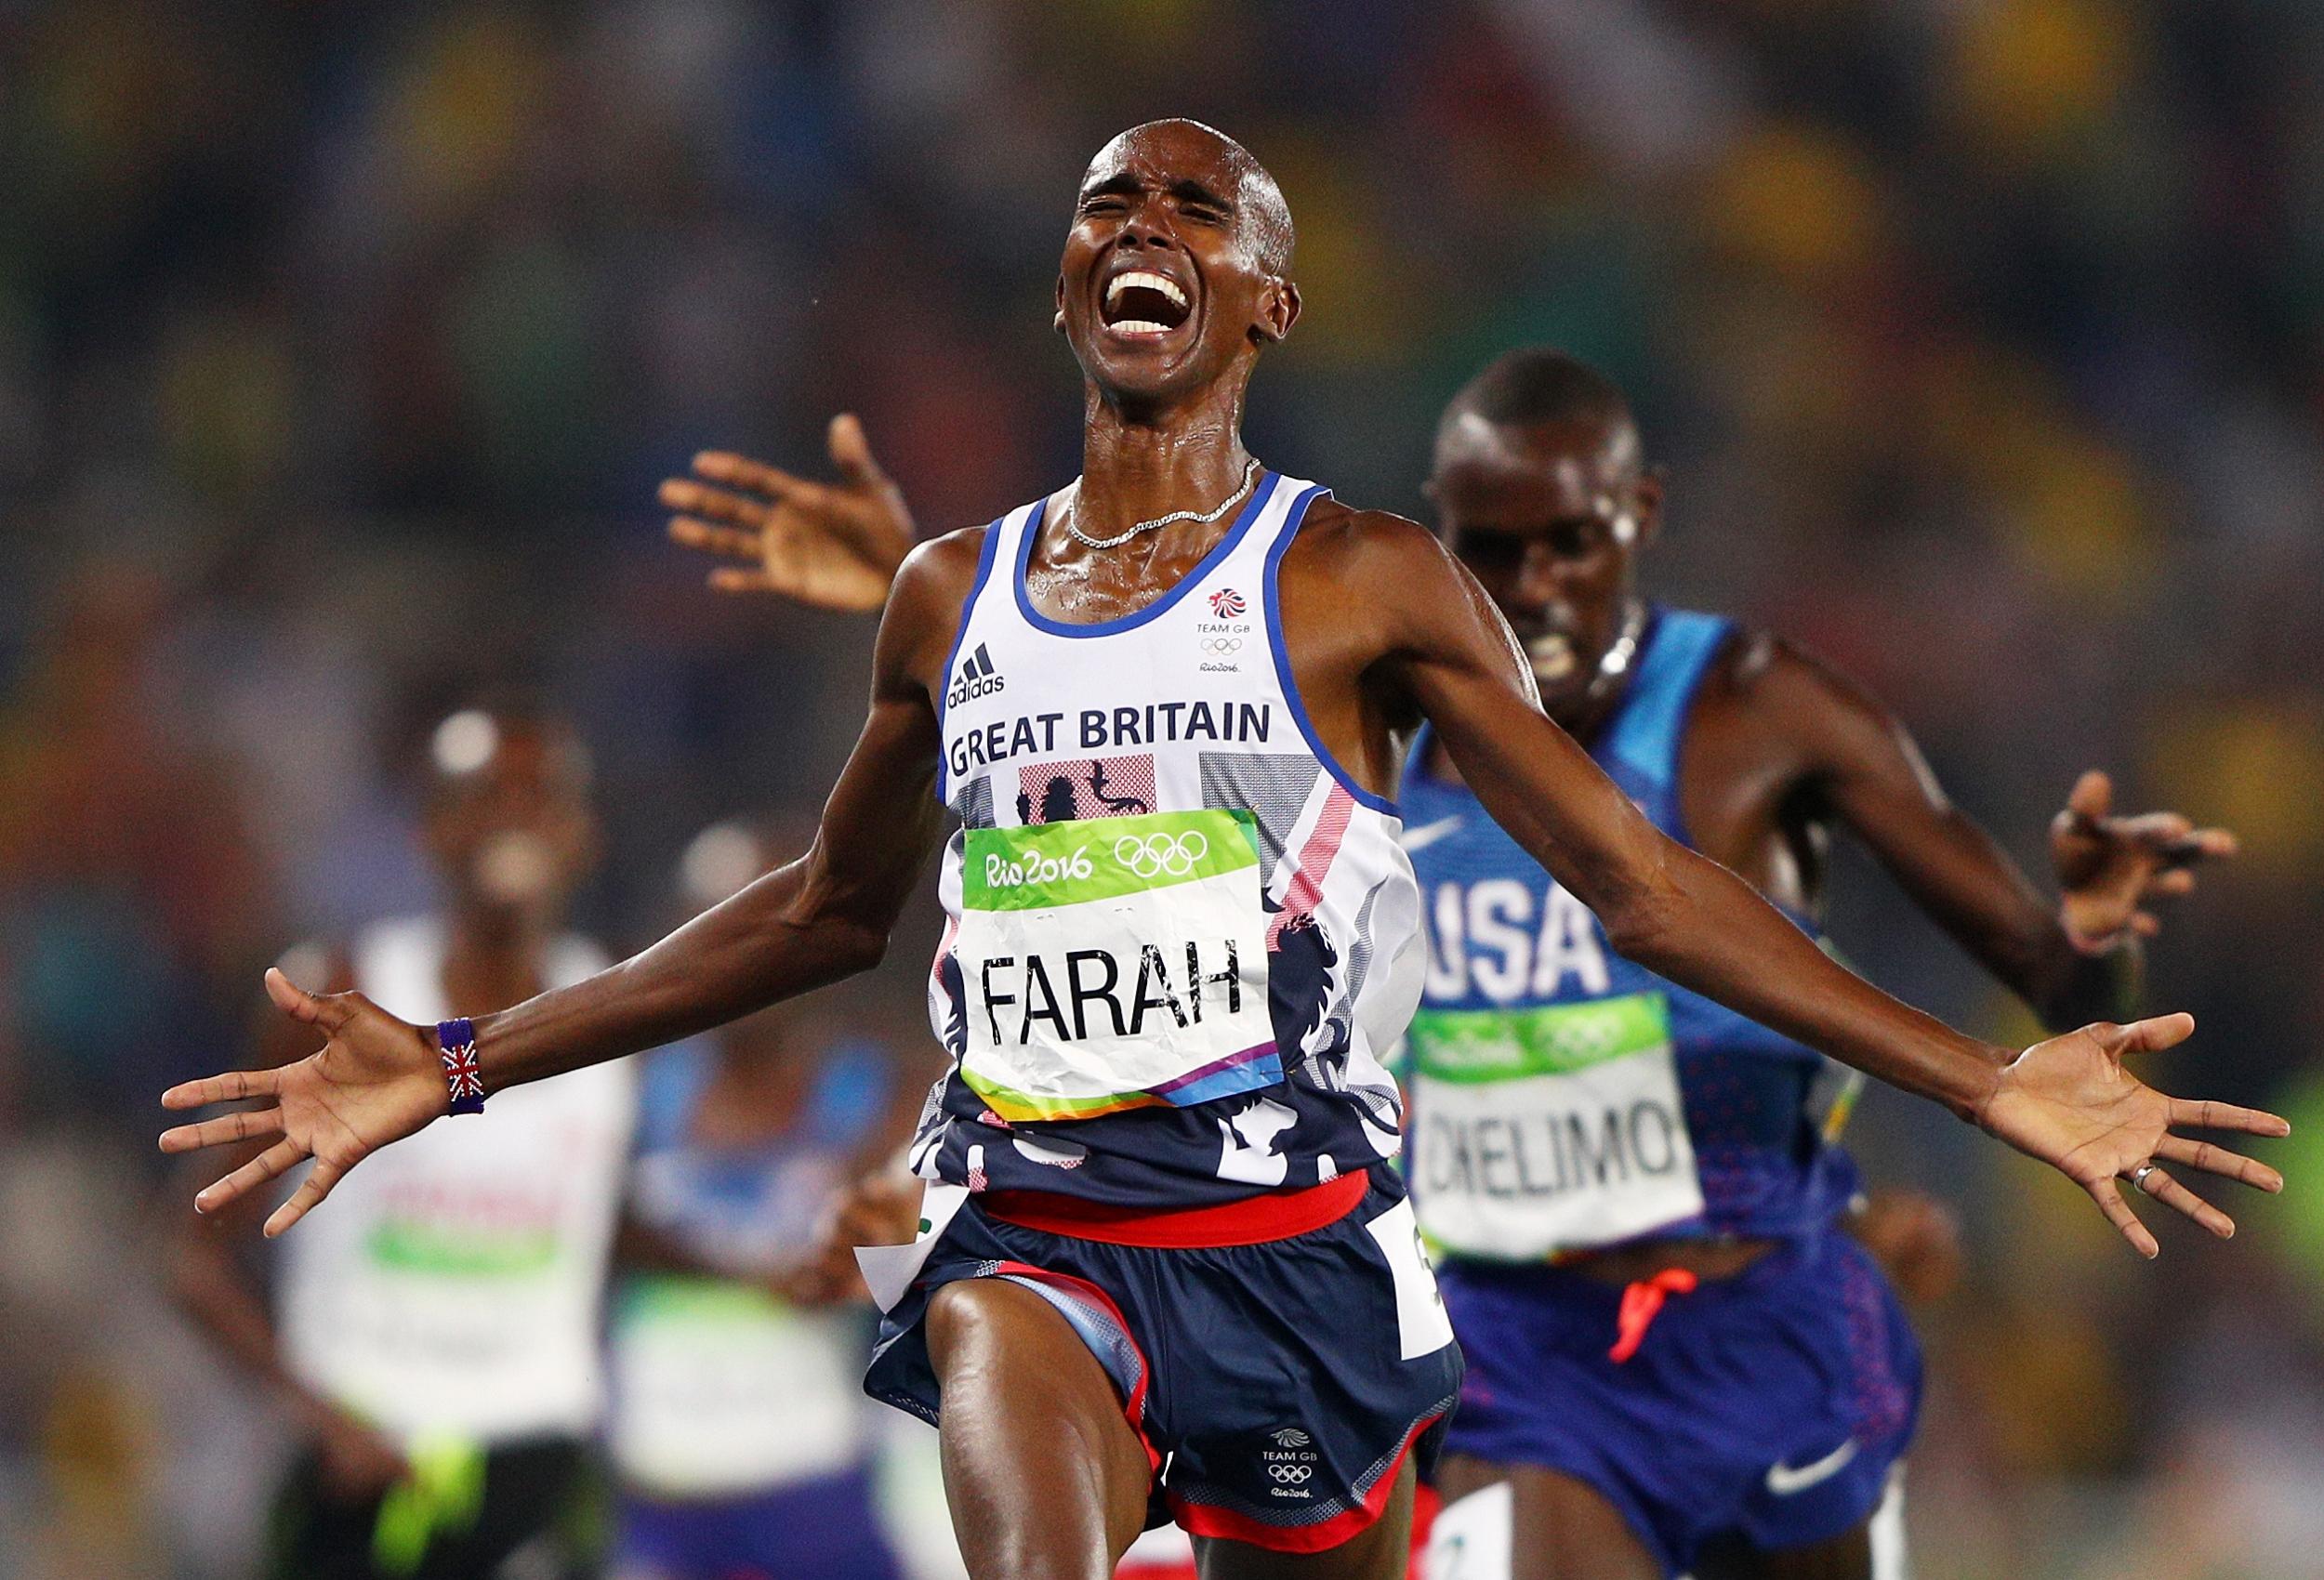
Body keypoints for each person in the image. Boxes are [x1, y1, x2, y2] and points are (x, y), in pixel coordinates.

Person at [162, 121, 2286, 1580]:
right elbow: (823, 909)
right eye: (1109, 194)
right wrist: (459, 1056)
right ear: (1071, 270)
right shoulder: (946, 591)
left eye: (1198, 197)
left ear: (1264, 296)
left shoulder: (1361, 581)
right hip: (1039, 1219)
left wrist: (1988, 1071)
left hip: (1306, 1255)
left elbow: (1636, 884)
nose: (1144, 213)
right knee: (1011, 1391)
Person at [657, 348, 2242, 1580]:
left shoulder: (1762, 714)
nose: (1535, 588)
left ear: (1642, 515)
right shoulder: (1385, 720)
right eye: (1495, 550)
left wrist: (2081, 950)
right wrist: (925, 593)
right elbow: (1137, 737)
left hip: (1761, 1317)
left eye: (1568, 544)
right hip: (1494, 1340)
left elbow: (2053, 1004)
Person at [168, 703, 633, 1580]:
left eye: (540, 797)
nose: (514, 820)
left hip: (536, 1462)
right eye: (485, 795)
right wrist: (318, 1417)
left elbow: (625, 1220)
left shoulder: (615, 1010)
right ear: (430, 831)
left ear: (584, 833)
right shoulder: (340, 995)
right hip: (357, 1466)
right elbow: (189, 1250)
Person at [604, 823, 919, 1580]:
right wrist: (746, 1273)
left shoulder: (884, 1091)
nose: (748, 965)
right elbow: (586, 1227)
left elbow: (919, 1244)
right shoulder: (627, 1093)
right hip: (664, 1485)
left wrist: (860, 1250)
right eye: (719, 931)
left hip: (818, 1483)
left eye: (773, 933)